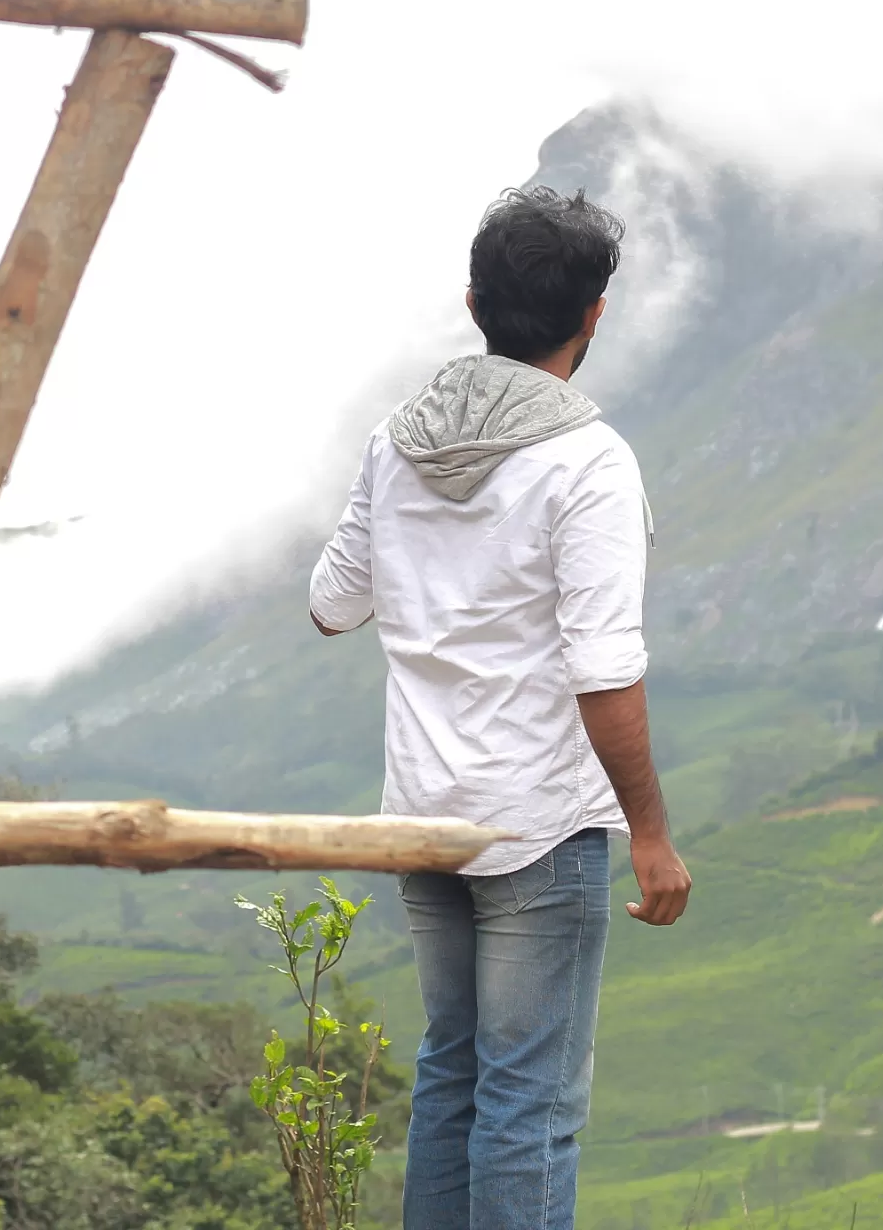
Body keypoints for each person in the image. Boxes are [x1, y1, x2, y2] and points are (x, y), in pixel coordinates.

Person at [309, 184, 691, 1230]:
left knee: (454, 1073)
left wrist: (429, 554)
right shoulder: (588, 461)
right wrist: (651, 837)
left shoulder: (398, 441)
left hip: (423, 814)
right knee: (530, 1099)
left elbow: (331, 604)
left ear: (473, 301)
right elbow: (603, 669)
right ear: (594, 314)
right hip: (535, 824)